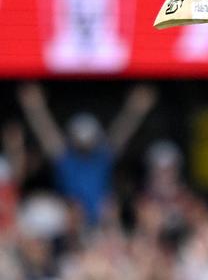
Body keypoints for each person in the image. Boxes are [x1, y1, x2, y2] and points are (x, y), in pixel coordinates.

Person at [16, 82, 157, 227]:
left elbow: (121, 133)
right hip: (69, 225)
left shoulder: (101, 159)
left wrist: (136, 108)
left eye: (88, 139)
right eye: (80, 139)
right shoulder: (66, 161)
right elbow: (47, 134)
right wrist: (35, 107)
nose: (85, 143)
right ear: (72, 139)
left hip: (101, 225)